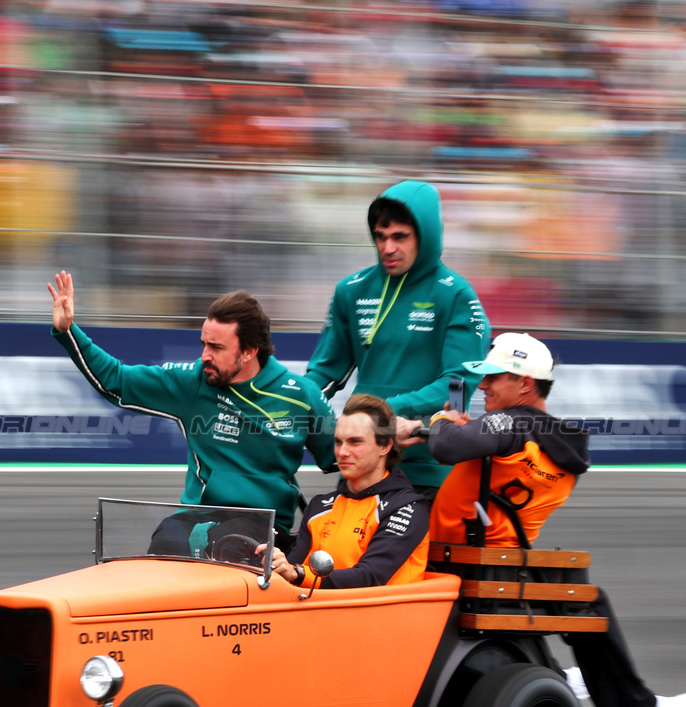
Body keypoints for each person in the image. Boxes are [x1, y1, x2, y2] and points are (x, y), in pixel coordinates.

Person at [397, 332, 686, 707]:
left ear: (525, 384)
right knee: (585, 599)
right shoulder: (558, 443)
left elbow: (450, 448)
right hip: (498, 564)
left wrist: (439, 421)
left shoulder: (513, 423)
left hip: (457, 563)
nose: (483, 386)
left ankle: (611, 701)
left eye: (494, 378)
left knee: (582, 597)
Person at [48, 271, 337, 550]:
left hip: (265, 526)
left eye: (216, 347)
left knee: (226, 549)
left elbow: (346, 458)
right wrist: (68, 331)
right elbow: (116, 380)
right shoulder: (194, 382)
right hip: (198, 517)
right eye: (204, 344)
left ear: (250, 351)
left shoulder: (302, 395)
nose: (204, 356)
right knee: (164, 545)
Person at [305, 180, 490, 496]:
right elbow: (323, 374)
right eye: (381, 236)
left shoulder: (457, 295)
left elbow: (458, 386)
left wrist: (381, 412)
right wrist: (287, 401)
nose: (388, 248)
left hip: (428, 472)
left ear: (425, 237)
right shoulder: (351, 290)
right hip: (364, 462)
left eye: (400, 237)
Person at [266, 394, 429, 589]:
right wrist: (275, 564)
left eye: (355, 442)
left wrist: (297, 573)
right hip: (321, 607)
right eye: (338, 442)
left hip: (382, 608)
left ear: (385, 446)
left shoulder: (407, 507)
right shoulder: (320, 505)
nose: (342, 452)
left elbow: (370, 576)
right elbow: (292, 570)